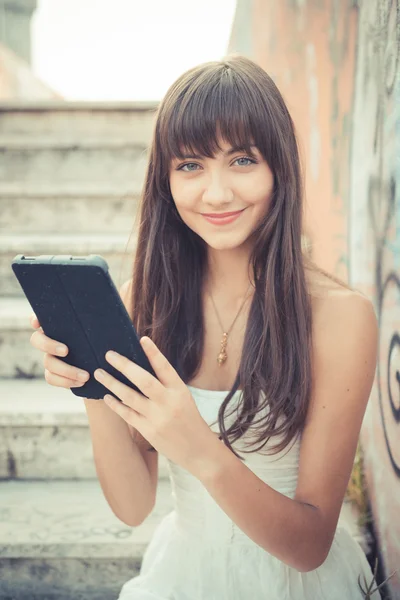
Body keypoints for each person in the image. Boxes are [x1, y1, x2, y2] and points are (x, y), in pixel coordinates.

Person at [30, 54, 380, 599]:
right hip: (184, 574)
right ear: (165, 180)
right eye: (190, 165)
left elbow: (309, 545)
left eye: (242, 160)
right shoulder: (146, 304)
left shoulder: (340, 316)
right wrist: (90, 383)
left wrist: (198, 447)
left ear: (279, 168)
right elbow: (132, 505)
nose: (216, 193)